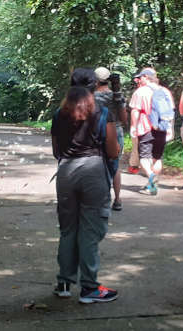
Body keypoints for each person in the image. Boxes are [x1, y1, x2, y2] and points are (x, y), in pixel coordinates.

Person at [51, 69, 120, 304]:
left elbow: (56, 151)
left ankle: (64, 283)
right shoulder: (102, 113)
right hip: (93, 170)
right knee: (90, 230)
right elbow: (112, 152)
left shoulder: (60, 114)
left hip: (66, 171)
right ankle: (90, 288)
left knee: (68, 228)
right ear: (94, 87)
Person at [128, 67, 174, 195]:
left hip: (145, 128)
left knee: (144, 157)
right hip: (161, 128)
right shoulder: (165, 91)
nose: (139, 79)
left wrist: (133, 126)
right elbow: (170, 112)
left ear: (146, 77)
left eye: (141, 77)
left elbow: (135, 110)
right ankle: (151, 183)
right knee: (157, 157)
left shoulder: (140, 91)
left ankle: (151, 177)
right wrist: (169, 128)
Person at [94, 67, 127, 211]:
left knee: (99, 166)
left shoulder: (91, 97)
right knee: (115, 166)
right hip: (116, 131)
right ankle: (118, 199)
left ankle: (101, 199)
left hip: (97, 132)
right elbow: (124, 119)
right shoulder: (117, 96)